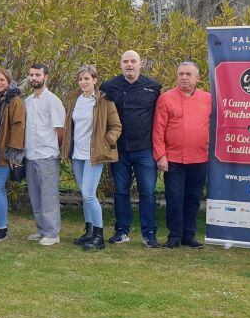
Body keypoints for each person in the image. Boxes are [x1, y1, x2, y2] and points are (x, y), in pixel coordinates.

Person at [99, 50, 162, 248]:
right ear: (120, 65)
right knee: (121, 192)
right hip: (119, 149)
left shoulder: (153, 87)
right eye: (125, 62)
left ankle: (149, 233)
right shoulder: (109, 87)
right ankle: (122, 231)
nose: (129, 65)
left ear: (140, 64)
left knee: (148, 193)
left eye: (133, 61)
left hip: (145, 149)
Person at [61, 65, 122, 251]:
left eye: (87, 79)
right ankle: (88, 231)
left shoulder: (104, 101)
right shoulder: (75, 100)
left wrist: (105, 141)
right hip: (77, 154)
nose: (83, 82)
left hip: (94, 154)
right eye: (81, 79)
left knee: (89, 194)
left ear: (95, 80)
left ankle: (99, 236)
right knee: (84, 194)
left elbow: (116, 126)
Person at [152, 61, 211, 249]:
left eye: (188, 74)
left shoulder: (208, 99)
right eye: (180, 74)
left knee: (193, 199)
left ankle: (189, 235)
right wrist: (160, 155)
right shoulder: (166, 98)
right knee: (175, 199)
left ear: (197, 78)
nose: (184, 77)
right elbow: (158, 129)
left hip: (200, 158)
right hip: (174, 160)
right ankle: (174, 236)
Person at [23, 64, 66, 246]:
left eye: (37, 75)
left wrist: (54, 149)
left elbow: (60, 130)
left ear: (45, 77)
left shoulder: (53, 100)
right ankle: (41, 230)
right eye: (31, 75)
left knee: (48, 197)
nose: (34, 78)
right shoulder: (27, 101)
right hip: (30, 156)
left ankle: (52, 233)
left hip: (47, 156)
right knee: (35, 196)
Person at [0, 68, 26, 243]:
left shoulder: (14, 101)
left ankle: (3, 229)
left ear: (8, 82)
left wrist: (13, 153)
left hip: (3, 153)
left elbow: (18, 127)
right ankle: (1, 226)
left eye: (1, 80)